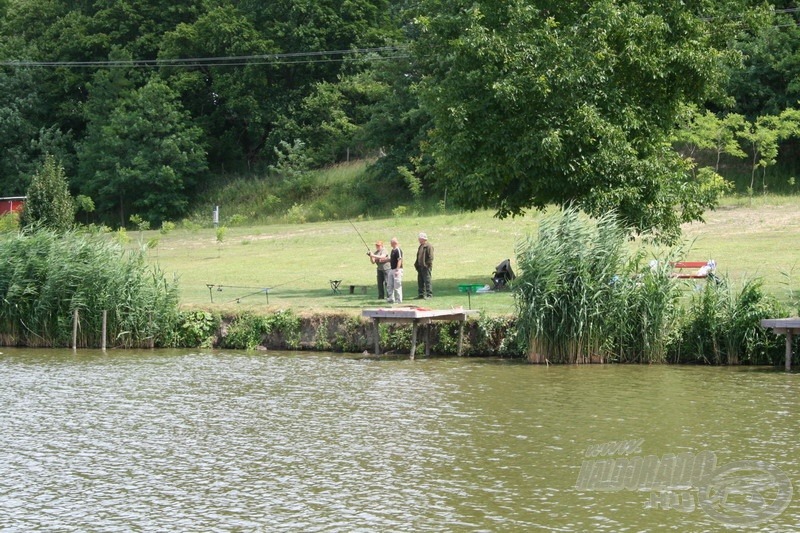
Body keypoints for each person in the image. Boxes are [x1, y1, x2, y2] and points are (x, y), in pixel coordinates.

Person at [414, 232, 434, 299]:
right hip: (420, 267)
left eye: (419, 238)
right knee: (420, 281)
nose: (419, 240)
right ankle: (421, 294)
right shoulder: (420, 246)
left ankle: (429, 295)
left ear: (423, 239)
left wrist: (427, 265)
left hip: (425, 267)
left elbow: (430, 257)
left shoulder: (428, 246)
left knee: (427, 281)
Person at [386, 237, 403, 303]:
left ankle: (399, 299)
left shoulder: (398, 250)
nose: (390, 243)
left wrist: (397, 269)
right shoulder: (392, 250)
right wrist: (385, 260)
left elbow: (399, 260)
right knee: (390, 284)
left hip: (396, 269)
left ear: (394, 243)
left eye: (391, 242)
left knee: (397, 285)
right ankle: (391, 298)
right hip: (391, 269)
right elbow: (392, 260)